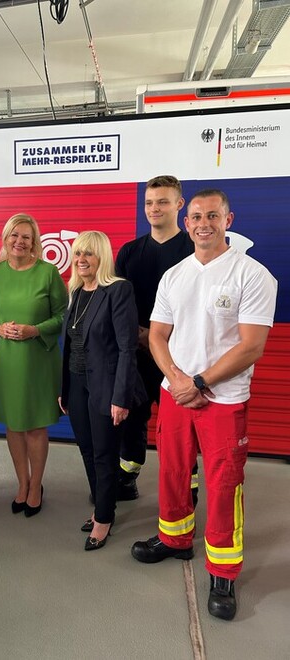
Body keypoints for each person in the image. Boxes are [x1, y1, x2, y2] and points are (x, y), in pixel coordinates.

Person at [131, 189, 277, 621]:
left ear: (228, 219)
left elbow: (251, 347)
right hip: (176, 394)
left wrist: (198, 382)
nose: (203, 223)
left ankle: (223, 571)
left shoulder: (252, 275)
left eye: (212, 215)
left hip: (223, 400)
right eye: (196, 216)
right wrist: (177, 380)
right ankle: (175, 539)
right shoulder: (175, 275)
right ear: (187, 220)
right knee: (174, 472)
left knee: (223, 483)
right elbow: (157, 335)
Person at [59, 231, 147, 551]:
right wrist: (64, 389)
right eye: (78, 253)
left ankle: (104, 518)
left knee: (104, 454)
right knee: (86, 449)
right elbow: (69, 346)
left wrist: (120, 397)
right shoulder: (77, 291)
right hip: (77, 383)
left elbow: (127, 349)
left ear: (103, 258)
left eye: (89, 254)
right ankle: (101, 506)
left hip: (106, 387)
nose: (81, 260)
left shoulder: (118, 290)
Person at [115, 175, 198, 502]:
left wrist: (160, 336)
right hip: (136, 355)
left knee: (180, 429)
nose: (154, 208)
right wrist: (135, 335)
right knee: (133, 419)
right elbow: (117, 304)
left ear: (179, 204)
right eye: (149, 202)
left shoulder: (194, 250)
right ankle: (127, 476)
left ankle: (185, 489)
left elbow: (202, 311)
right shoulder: (130, 252)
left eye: (162, 202)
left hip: (180, 358)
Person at [0, 213, 67, 517]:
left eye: (26, 237)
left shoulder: (48, 273)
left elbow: (60, 316)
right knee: (13, 426)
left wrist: (35, 330)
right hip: (5, 361)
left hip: (37, 360)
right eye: (14, 235)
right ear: (5, 238)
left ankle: (36, 485)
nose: (19, 241)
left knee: (34, 425)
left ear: (34, 242)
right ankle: (22, 483)